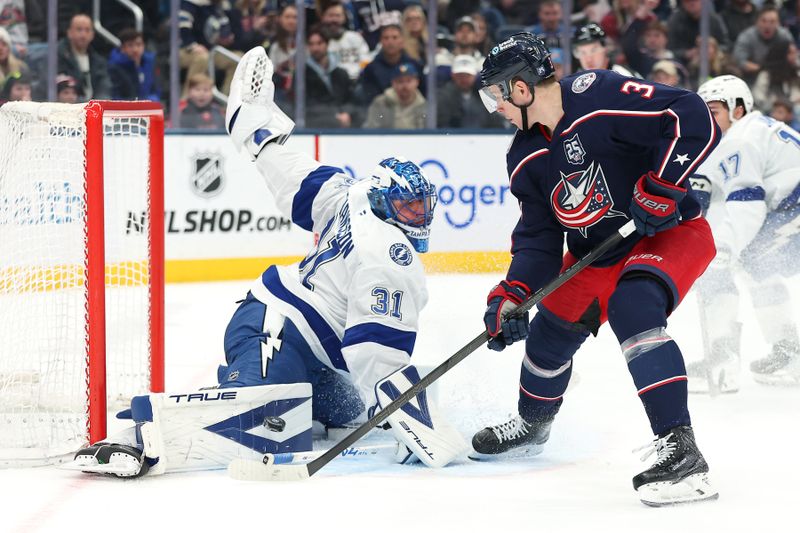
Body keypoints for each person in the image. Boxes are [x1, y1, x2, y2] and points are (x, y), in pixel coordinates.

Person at [68, 46, 465, 477]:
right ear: (383, 201)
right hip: (275, 326)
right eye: (407, 209)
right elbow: (375, 351)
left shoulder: (351, 193)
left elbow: (290, 174)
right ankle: (140, 435)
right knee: (261, 422)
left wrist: (254, 129)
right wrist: (408, 417)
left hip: (323, 358)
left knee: (347, 414)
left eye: (421, 207)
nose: (418, 218)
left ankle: (293, 401)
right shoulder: (389, 257)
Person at [473, 33, 721, 506]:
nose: (496, 107)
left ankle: (683, 451)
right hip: (600, 252)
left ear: (521, 89)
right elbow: (539, 238)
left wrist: (664, 186)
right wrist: (514, 292)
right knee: (548, 336)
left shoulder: (598, 95)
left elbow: (691, 116)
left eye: (496, 95)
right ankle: (533, 424)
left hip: (669, 233)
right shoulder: (524, 157)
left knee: (634, 306)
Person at [687, 75, 800, 392]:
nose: (708, 120)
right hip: (790, 209)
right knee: (756, 264)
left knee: (730, 263)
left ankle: (723, 359)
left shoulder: (739, 140)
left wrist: (722, 246)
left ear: (738, 109)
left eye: (715, 111)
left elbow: (747, 207)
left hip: (793, 207)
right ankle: (789, 351)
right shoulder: (747, 131)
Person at [56, 13, 111, 101]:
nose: (83, 35)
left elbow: (104, 88)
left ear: (92, 34)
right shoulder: (57, 57)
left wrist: (100, 103)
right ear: (69, 33)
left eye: (87, 30)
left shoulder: (98, 61)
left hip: (93, 109)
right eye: (79, 29)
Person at [364, 61, 426, 129]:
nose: (404, 86)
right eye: (400, 81)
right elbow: (371, 129)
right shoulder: (380, 103)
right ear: (393, 83)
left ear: (417, 82)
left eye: (409, 81)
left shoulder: (424, 106)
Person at [108, 28, 160, 102]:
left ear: (144, 46)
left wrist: (151, 100)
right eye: (130, 45)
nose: (135, 49)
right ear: (123, 48)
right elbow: (115, 97)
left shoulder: (150, 64)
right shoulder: (114, 68)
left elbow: (155, 90)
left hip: (148, 109)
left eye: (138, 45)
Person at [573, 23, 638, 77]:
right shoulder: (575, 82)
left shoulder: (622, 76)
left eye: (593, 51)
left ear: (605, 48)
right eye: (582, 53)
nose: (589, 59)